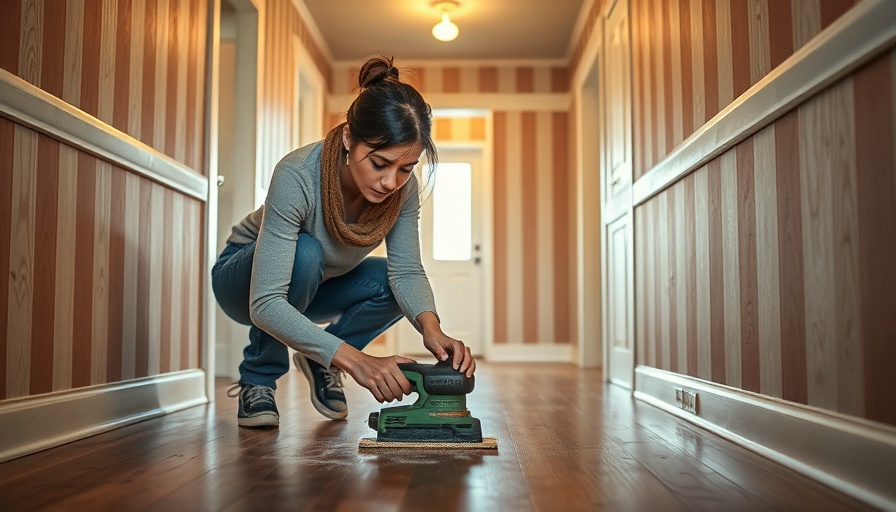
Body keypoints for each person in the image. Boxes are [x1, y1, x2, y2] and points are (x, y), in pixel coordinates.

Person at [211, 55, 476, 428]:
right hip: (243, 283)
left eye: (406, 168)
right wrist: (354, 359)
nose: (391, 182)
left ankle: (318, 359)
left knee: (389, 282)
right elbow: (266, 302)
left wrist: (432, 328)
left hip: (317, 285)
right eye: (379, 163)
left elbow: (406, 271)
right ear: (350, 137)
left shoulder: (404, 190)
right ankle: (258, 379)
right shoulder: (297, 174)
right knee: (305, 252)